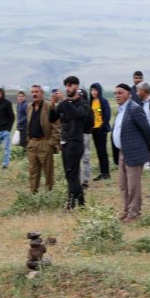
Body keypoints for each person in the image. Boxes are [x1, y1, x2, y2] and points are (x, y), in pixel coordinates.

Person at [112, 83, 150, 222]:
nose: (117, 95)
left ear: (129, 94)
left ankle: (134, 213)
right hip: (122, 152)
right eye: (115, 93)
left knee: (133, 185)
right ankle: (126, 210)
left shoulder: (135, 109)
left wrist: (148, 147)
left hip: (134, 152)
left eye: (120, 93)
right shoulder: (120, 110)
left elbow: (146, 130)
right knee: (123, 184)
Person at [50, 76, 90, 212]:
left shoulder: (83, 103)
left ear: (77, 86)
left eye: (70, 85)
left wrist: (64, 101)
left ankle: (71, 205)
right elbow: (52, 118)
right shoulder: (64, 103)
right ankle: (82, 205)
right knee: (70, 175)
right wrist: (52, 104)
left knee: (72, 175)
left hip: (75, 142)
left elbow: (77, 115)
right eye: (66, 86)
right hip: (65, 142)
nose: (67, 88)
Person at [25, 85, 60, 193]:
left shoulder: (49, 106)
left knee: (48, 172)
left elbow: (57, 125)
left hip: (45, 142)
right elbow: (28, 124)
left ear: (42, 93)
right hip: (32, 143)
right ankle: (34, 194)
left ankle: (49, 194)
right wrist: (28, 140)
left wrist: (52, 142)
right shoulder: (29, 107)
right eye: (32, 92)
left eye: (37, 92)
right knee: (33, 171)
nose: (34, 94)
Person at [89, 82, 112, 181]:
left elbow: (107, 115)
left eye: (95, 90)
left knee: (103, 151)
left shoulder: (103, 101)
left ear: (99, 90)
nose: (93, 92)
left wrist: (102, 126)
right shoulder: (91, 102)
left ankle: (106, 173)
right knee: (98, 151)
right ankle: (102, 173)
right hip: (94, 129)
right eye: (92, 90)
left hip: (102, 130)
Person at [0, 88, 15, 169]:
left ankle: (5, 165)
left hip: (6, 130)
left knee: (6, 149)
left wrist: (8, 129)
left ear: (3, 94)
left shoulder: (7, 103)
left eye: (0, 94)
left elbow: (12, 117)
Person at [78, 88, 93, 188]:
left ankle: (85, 180)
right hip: (77, 134)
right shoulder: (75, 106)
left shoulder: (87, 107)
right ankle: (79, 179)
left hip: (85, 134)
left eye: (80, 95)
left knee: (85, 157)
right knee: (77, 158)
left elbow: (91, 122)